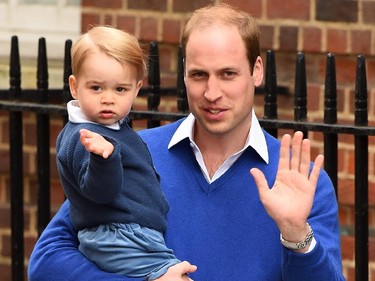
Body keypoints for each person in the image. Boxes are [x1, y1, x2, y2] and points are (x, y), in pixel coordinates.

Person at [28, 3, 345, 281]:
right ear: (183, 74)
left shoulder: (300, 181)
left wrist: (296, 235)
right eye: (198, 75)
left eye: (228, 74)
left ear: (257, 71)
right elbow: (46, 261)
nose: (212, 93)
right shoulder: (132, 150)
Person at [49, 25, 193, 280]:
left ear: (136, 89)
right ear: (74, 86)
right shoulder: (85, 138)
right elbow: (99, 193)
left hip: (132, 233)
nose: (108, 98)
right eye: (96, 88)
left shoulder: (115, 130)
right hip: (116, 235)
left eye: (120, 89)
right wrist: (102, 158)